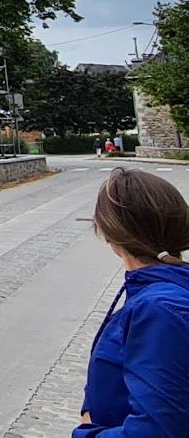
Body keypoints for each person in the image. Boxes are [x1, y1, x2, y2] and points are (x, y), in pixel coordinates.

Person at [76, 168, 189, 436]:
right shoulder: (155, 287)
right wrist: (90, 406)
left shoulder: (159, 308)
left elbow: (157, 430)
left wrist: (86, 433)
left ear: (109, 232)